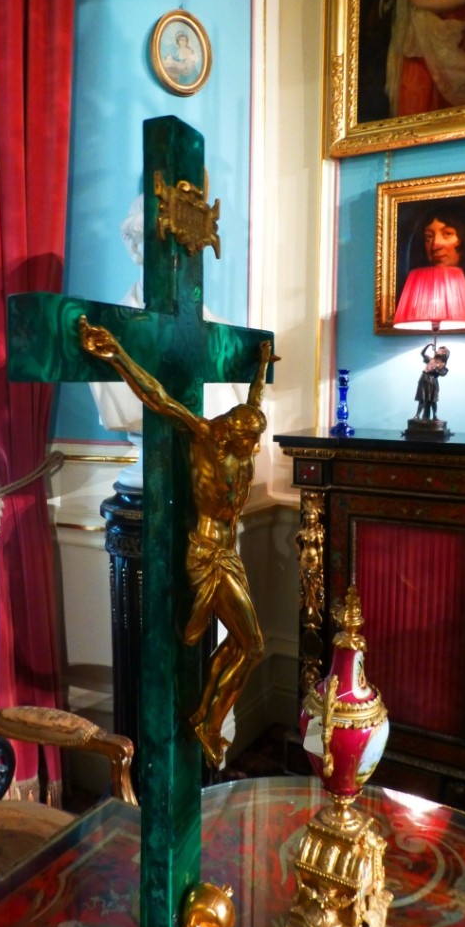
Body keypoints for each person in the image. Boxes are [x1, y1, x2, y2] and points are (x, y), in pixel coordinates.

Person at [79, 315, 276, 768]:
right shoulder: (207, 438)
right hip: (206, 554)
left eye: (256, 438)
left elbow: (255, 396)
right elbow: (159, 398)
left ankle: (206, 713)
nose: (254, 446)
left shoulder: (244, 440)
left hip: (228, 552)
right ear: (231, 432)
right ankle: (206, 721)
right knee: (253, 645)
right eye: (248, 439)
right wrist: (117, 354)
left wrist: (261, 362)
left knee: (243, 644)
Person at [414, 342, 449, 420]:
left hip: (432, 380)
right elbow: (422, 353)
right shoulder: (430, 359)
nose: (437, 351)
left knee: (433, 400)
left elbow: (442, 372)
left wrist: (436, 370)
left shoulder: (442, 364)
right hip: (424, 379)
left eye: (440, 350)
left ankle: (435, 416)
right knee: (422, 398)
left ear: (444, 353)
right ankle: (417, 415)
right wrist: (428, 345)